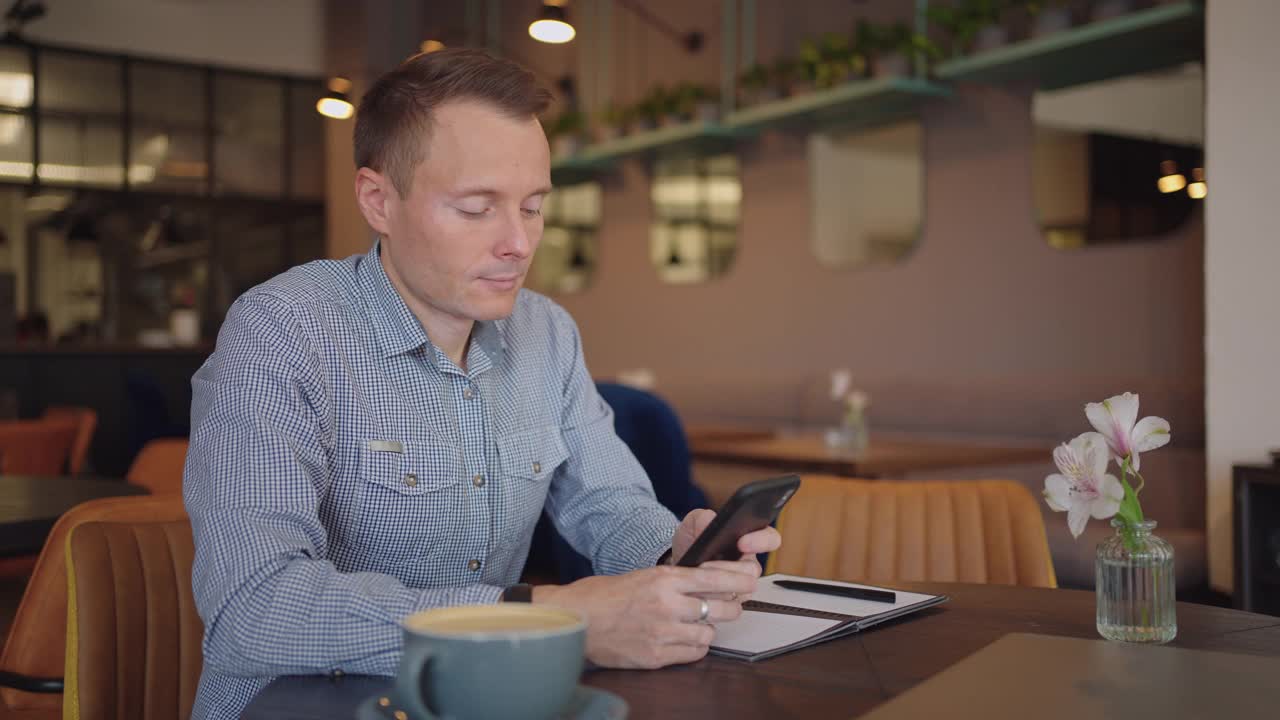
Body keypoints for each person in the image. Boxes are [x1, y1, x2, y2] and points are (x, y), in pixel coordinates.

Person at [183, 47, 781, 719]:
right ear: (378, 200)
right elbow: (253, 607)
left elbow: (609, 504)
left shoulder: (547, 333)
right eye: (477, 208)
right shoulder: (282, 332)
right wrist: (543, 612)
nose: (519, 243)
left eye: (532, 207)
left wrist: (677, 547)